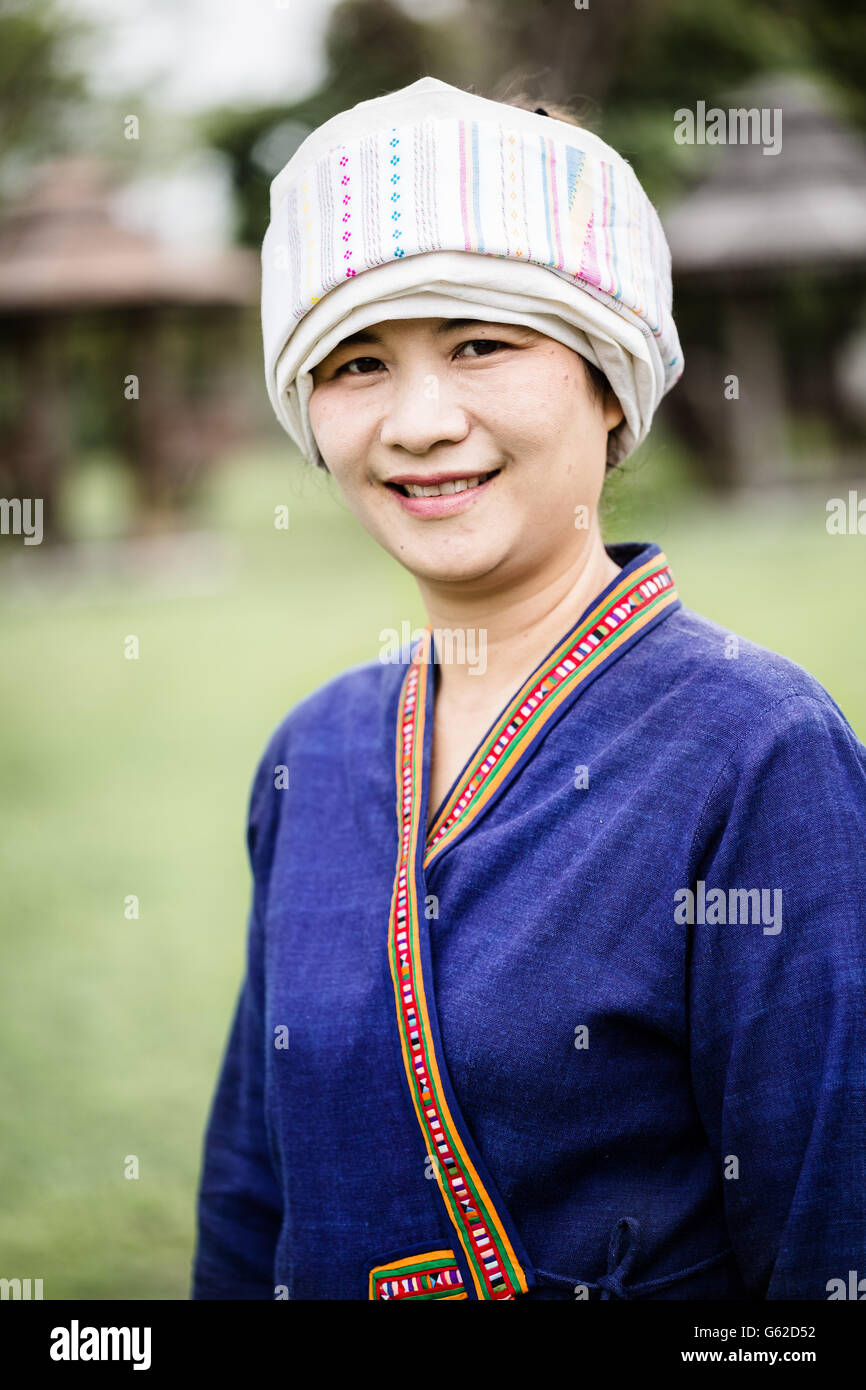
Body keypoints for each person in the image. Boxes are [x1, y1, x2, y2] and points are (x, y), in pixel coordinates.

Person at [191, 77, 866, 1301]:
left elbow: (828, 1236)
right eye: (354, 363)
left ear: (609, 378)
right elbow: (252, 1192)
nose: (417, 421)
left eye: (480, 343)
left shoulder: (756, 747)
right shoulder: (315, 750)